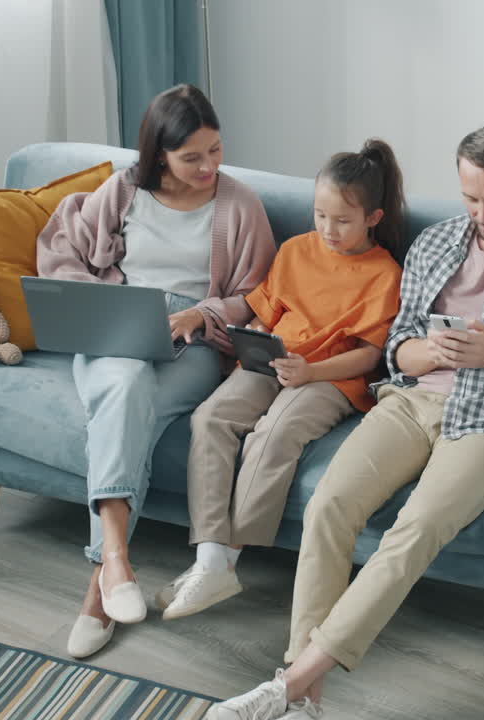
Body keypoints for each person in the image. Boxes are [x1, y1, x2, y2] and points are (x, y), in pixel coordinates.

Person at [207, 121, 484, 720]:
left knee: (413, 532)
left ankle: (288, 687)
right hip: (411, 400)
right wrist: (430, 352)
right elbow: (395, 349)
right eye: (471, 197)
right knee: (329, 505)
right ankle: (302, 700)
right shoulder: (437, 244)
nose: (483, 212)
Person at [36, 84, 276, 660]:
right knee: (125, 385)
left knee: (129, 404)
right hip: (117, 330)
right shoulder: (122, 191)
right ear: (159, 154)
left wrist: (202, 312)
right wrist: (103, 306)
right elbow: (62, 246)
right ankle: (111, 567)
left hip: (193, 345)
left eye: (215, 151)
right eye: (192, 157)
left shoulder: (239, 205)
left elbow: (260, 296)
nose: (208, 166)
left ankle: (103, 583)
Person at [156, 139, 407, 620]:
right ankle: (208, 557)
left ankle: (226, 560)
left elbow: (369, 356)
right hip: (275, 362)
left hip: (329, 378)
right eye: (319, 216)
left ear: (372, 218)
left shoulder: (383, 274)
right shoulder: (295, 251)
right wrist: (255, 337)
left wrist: (310, 370)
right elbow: (266, 312)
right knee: (211, 417)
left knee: (274, 434)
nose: (327, 230)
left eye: (342, 220)